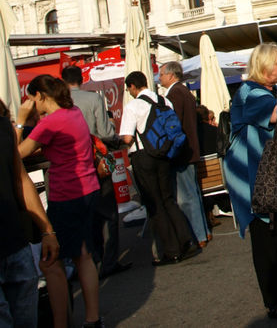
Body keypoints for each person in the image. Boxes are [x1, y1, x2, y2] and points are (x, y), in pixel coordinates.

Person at [223, 44, 277, 321]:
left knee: (274, 234)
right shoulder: (253, 92)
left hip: (263, 173)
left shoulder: (260, 90)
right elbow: (275, 115)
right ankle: (274, 301)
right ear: (264, 66)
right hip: (254, 176)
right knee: (266, 240)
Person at [15, 75, 103, 328]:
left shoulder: (50, 123)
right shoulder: (72, 112)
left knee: (49, 261)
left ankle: (60, 323)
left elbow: (15, 154)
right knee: (83, 256)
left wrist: (21, 122)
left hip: (67, 194)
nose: (31, 103)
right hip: (88, 188)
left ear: (41, 96)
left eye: (32, 98)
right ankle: (92, 319)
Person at [120, 71, 199, 267]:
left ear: (132, 86)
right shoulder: (164, 101)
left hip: (143, 157)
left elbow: (127, 138)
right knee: (168, 199)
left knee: (155, 204)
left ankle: (171, 251)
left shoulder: (133, 106)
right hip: (164, 154)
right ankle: (187, 241)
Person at [61, 65, 129, 280]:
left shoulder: (59, 104)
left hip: (71, 167)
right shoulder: (93, 99)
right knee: (107, 213)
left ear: (63, 81)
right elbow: (105, 132)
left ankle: (91, 260)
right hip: (96, 161)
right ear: (81, 79)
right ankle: (108, 261)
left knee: (84, 214)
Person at [2, 96, 60, 328]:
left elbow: (21, 180)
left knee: (27, 320)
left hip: (16, 245)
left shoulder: (2, 127)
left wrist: (47, 231)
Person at [159, 62, 210, 248]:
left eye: (162, 74)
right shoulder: (185, 92)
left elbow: (174, 124)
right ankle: (203, 231)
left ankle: (198, 234)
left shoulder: (174, 95)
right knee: (193, 193)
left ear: (171, 75)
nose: (160, 77)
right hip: (191, 148)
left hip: (181, 151)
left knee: (186, 197)